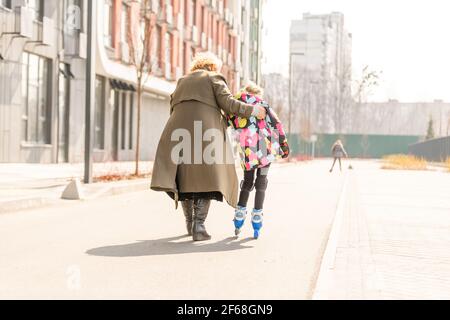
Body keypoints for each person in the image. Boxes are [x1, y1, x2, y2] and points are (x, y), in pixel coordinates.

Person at [150, 52, 267, 242]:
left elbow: (172, 106)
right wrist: (254, 110)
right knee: (207, 177)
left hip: (177, 129)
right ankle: (199, 226)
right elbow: (228, 104)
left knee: (184, 176)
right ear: (213, 67)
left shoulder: (182, 80)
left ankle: (190, 223)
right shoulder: (214, 77)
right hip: (205, 131)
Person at [227, 83, 290, 239]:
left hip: (246, 149)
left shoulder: (237, 107)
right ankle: (256, 220)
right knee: (261, 182)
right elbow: (276, 124)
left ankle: (239, 217)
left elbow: (228, 123)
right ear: (257, 94)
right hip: (264, 148)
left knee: (247, 182)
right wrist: (283, 144)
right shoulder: (263, 105)